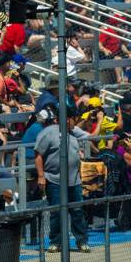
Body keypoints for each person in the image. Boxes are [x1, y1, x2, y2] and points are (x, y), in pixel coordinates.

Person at [34, 107, 90, 252]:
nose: (76, 122)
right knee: (57, 212)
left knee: (77, 211)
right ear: (66, 119)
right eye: (74, 119)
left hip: (74, 180)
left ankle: (81, 241)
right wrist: (41, 176)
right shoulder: (48, 133)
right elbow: (38, 155)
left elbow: (87, 137)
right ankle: (56, 242)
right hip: (54, 179)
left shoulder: (73, 133)